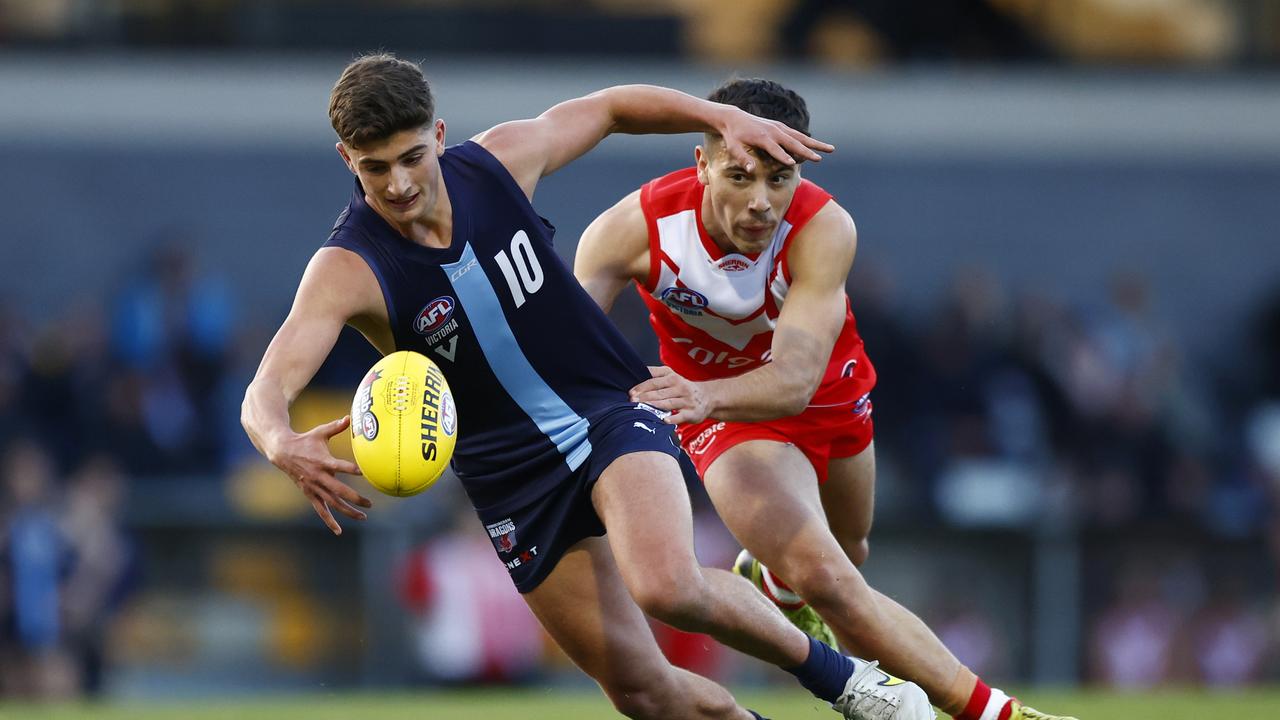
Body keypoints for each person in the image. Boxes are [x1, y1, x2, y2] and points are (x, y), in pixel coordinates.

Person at [241, 53, 934, 720]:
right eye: (374, 168)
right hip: (510, 476)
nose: (397, 185)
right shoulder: (347, 266)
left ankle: (848, 684)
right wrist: (280, 442)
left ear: (439, 136)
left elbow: (610, 109)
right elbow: (266, 388)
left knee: (666, 584)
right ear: (346, 161)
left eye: (412, 157)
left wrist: (722, 122)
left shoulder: (498, 163)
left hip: (606, 409)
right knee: (642, 694)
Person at [573, 77, 1076, 720]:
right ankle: (994, 713)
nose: (761, 202)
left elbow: (794, 380)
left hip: (827, 392)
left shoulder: (826, 226)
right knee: (832, 583)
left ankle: (773, 578)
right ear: (700, 164)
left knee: (852, 548)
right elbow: (566, 345)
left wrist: (701, 392)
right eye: (740, 175)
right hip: (723, 419)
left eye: (779, 179)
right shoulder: (630, 230)